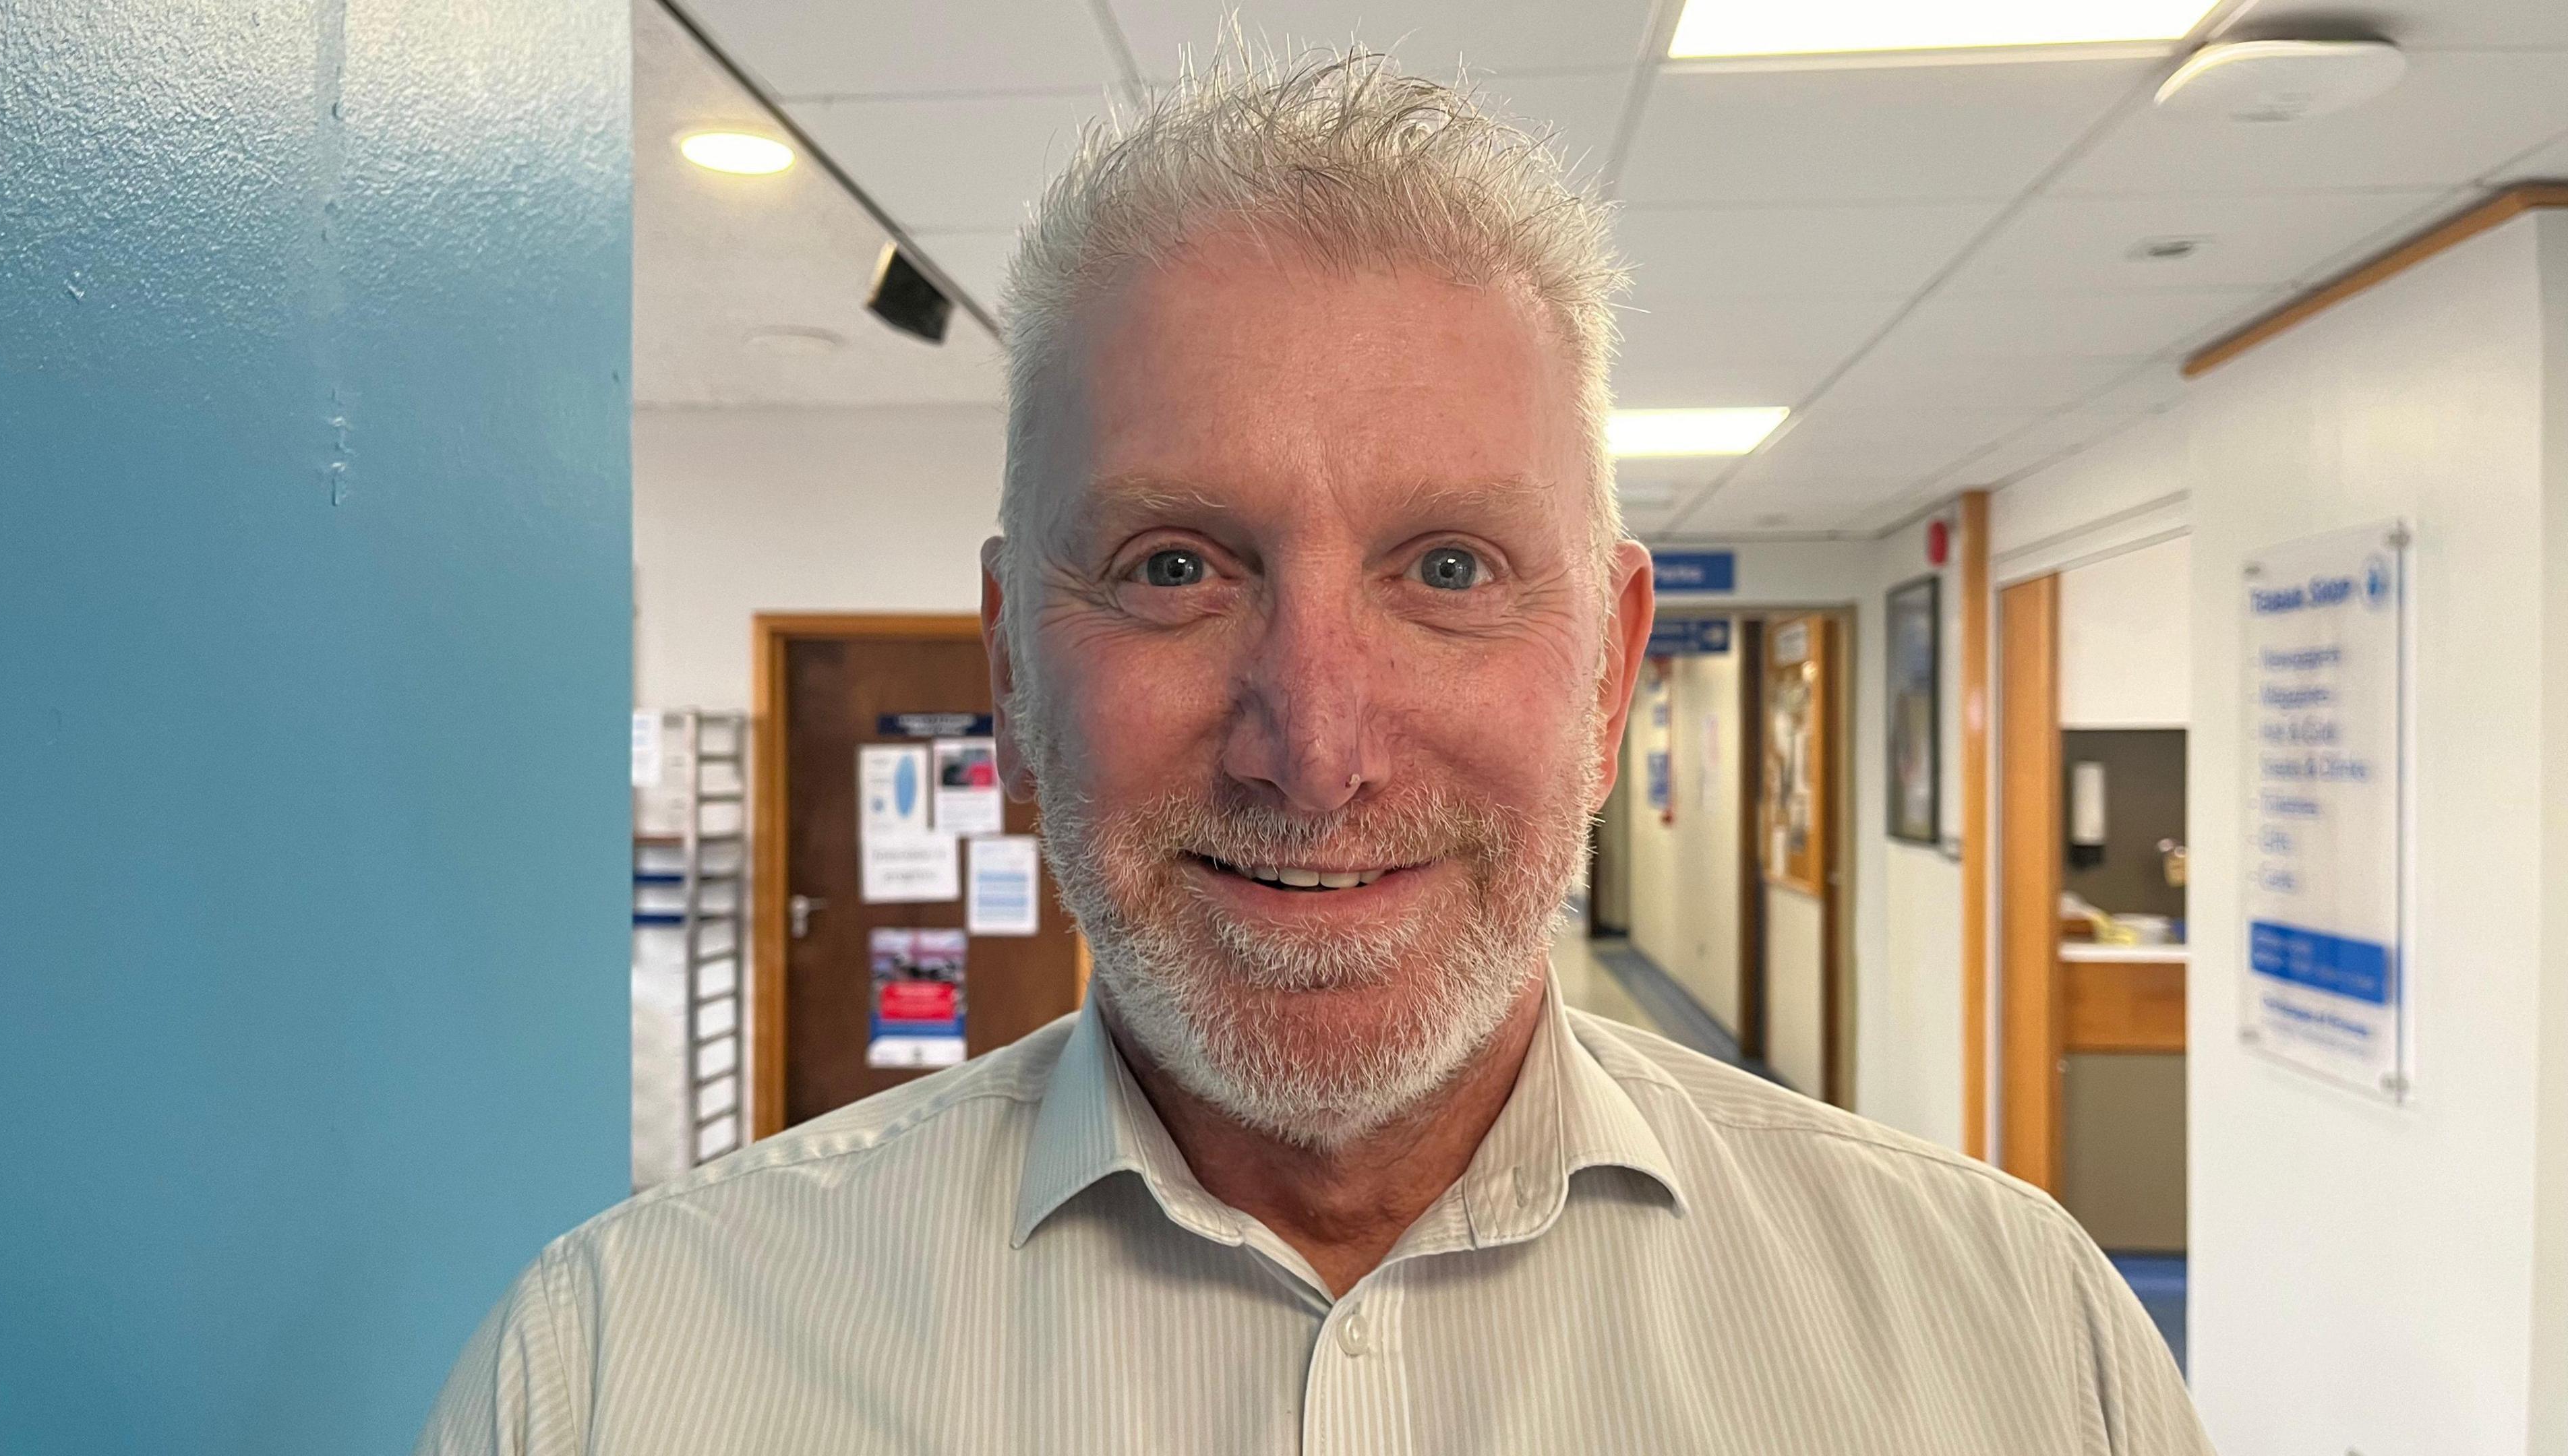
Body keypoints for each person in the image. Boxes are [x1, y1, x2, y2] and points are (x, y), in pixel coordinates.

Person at [419, 44, 2212, 1455]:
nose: (1319, 746)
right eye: (1176, 567)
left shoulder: (2017, 1353)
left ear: (1607, 679)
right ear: (1014, 678)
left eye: (1448, 569)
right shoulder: (615, 1378)